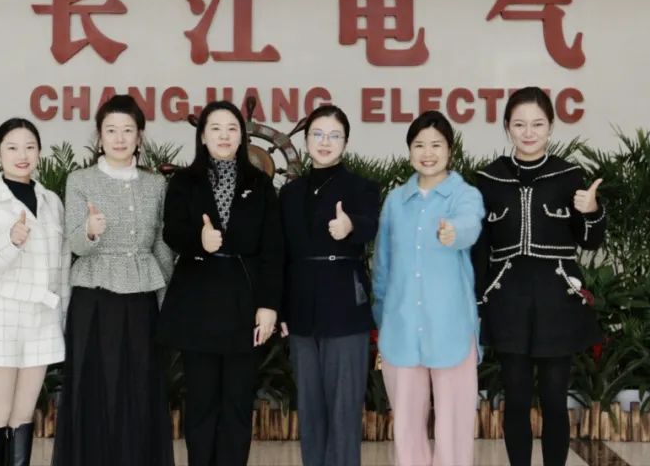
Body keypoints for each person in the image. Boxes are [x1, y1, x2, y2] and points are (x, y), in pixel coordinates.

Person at [472, 86, 606, 466]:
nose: (528, 132)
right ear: (507, 127)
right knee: (515, 398)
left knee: (554, 399)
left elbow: (590, 240)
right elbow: (479, 248)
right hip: (507, 301)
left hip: (557, 301)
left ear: (550, 127)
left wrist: (591, 210)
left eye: (537, 124)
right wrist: (477, 302)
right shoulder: (488, 178)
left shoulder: (569, 175)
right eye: (519, 124)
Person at [156, 100, 283, 466]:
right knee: (201, 404)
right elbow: (171, 231)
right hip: (198, 305)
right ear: (202, 136)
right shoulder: (184, 181)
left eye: (232, 128)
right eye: (215, 128)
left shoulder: (259, 183)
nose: (224, 136)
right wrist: (200, 241)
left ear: (242, 136)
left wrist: (269, 305)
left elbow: (273, 249)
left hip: (244, 305)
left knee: (237, 405)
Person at [51, 94, 174, 466]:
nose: (119, 138)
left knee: (141, 387)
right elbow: (75, 244)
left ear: (140, 137)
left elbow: (161, 245)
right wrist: (90, 230)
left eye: (128, 130)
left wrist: (166, 299)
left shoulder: (156, 184)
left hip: (142, 297)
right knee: (94, 388)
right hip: (95, 297)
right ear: (99, 137)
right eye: (111, 130)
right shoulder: (80, 180)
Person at [372, 110, 485, 466]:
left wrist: (453, 232)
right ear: (409, 151)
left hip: (452, 329)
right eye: (419, 145)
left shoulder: (464, 195)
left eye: (436, 144)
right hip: (401, 329)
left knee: (454, 427)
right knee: (406, 427)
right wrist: (382, 320)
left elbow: (470, 225)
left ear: (450, 149)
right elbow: (382, 265)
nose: (428, 153)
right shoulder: (395, 201)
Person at [278, 104, 380, 466]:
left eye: (335, 136)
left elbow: (373, 224)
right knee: (310, 408)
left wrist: (350, 226)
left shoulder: (362, 187)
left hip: (344, 306)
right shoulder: (290, 194)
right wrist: (281, 308)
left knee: (344, 409)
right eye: (318, 134)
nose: (325, 142)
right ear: (306, 140)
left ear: (346, 143)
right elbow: (280, 254)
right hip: (301, 309)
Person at [0, 118, 68, 466]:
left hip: (42, 316)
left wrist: (63, 316)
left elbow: (62, 267)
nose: (22, 155)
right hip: (2, 312)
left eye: (29, 147)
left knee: (23, 413)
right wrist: (10, 241)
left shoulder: (51, 201)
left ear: (39, 152)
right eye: (12, 147)